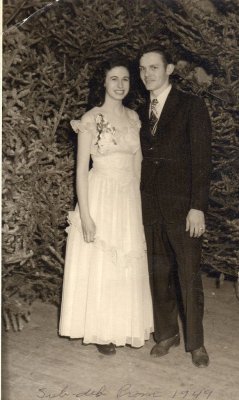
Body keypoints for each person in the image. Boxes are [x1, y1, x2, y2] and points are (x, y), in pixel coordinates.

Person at [59, 57, 154, 355]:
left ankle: (122, 325)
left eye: (125, 79)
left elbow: (137, 164)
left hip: (127, 197)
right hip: (100, 193)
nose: (120, 85)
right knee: (102, 261)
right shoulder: (90, 119)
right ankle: (101, 330)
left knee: (126, 259)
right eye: (114, 78)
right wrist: (84, 215)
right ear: (103, 82)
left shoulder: (133, 118)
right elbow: (80, 172)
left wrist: (138, 202)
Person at [138, 44, 212, 367]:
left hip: (184, 210)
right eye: (142, 69)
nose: (146, 75)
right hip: (150, 207)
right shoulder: (141, 111)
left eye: (153, 67)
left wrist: (198, 206)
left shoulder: (191, 106)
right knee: (158, 273)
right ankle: (167, 333)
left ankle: (196, 342)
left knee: (188, 275)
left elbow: (202, 160)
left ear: (169, 70)